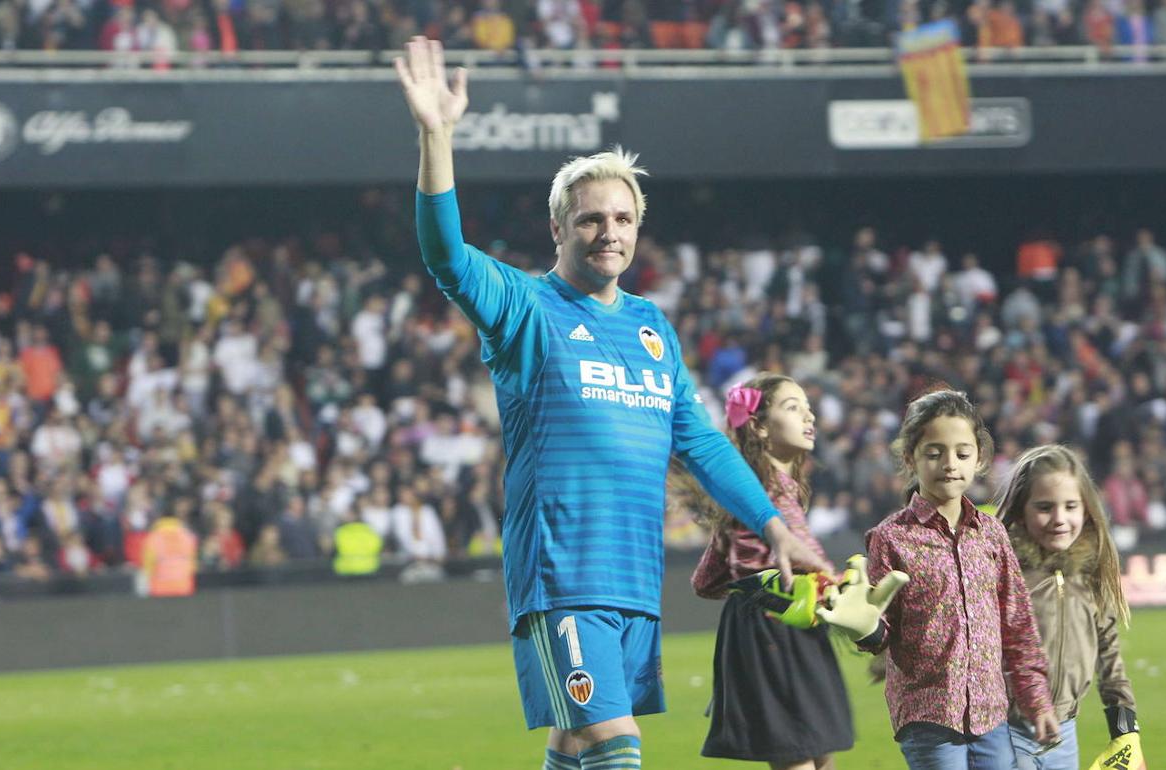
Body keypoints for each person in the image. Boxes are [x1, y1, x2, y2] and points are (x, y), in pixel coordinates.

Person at [394, 36, 822, 770]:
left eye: (622, 219)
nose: (609, 233)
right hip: (563, 576)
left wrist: (774, 525)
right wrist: (437, 138)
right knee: (618, 751)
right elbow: (447, 257)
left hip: (633, 582)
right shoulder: (528, 307)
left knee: (575, 748)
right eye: (591, 219)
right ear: (558, 227)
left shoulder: (652, 327)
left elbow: (702, 443)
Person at [862, 388, 1060, 769]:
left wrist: (1036, 700)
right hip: (927, 716)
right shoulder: (890, 537)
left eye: (962, 453)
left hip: (991, 714)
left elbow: (1017, 625)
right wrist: (865, 627)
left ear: (979, 459)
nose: (949, 463)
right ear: (910, 458)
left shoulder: (991, 533)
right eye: (934, 453)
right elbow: (878, 632)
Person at [688, 374, 851, 769]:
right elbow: (803, 557)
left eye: (808, 407)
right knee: (803, 752)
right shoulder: (772, 488)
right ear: (758, 425)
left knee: (809, 749)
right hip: (778, 626)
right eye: (792, 407)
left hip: (762, 625)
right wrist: (837, 585)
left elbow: (705, 581)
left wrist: (748, 589)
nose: (808, 415)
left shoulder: (748, 490)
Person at [996, 445, 1143, 770]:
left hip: (1064, 733)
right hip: (1004, 733)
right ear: (1021, 510)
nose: (1060, 519)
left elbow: (1109, 654)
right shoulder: (1003, 572)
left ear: (1086, 509)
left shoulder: (1090, 574)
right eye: (1045, 507)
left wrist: (1125, 729)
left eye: (1071, 506)